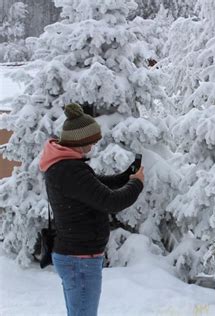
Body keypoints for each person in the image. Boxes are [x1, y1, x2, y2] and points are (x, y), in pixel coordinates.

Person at [39, 103, 144, 316]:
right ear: (80, 140)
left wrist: (127, 177)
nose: (94, 145)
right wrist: (137, 184)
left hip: (76, 257)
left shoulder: (64, 166)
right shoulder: (70, 171)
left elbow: (95, 185)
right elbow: (111, 202)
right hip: (80, 261)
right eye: (92, 140)